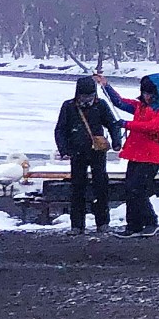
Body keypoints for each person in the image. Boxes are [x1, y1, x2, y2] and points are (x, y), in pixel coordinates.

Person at [96, 71, 159, 236]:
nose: (146, 96)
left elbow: (154, 127)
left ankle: (150, 221)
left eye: (150, 93)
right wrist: (105, 85)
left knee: (138, 190)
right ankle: (133, 226)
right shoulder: (140, 106)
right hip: (137, 154)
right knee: (131, 189)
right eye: (145, 93)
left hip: (152, 156)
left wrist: (127, 124)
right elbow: (119, 102)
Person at [53, 75, 123, 233]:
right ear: (78, 94)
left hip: (97, 152)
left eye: (90, 96)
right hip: (76, 153)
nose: (87, 100)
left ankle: (102, 223)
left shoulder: (101, 105)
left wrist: (117, 141)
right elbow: (60, 130)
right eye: (84, 96)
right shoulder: (69, 106)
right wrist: (64, 150)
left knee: (101, 186)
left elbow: (112, 124)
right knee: (77, 188)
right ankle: (77, 225)